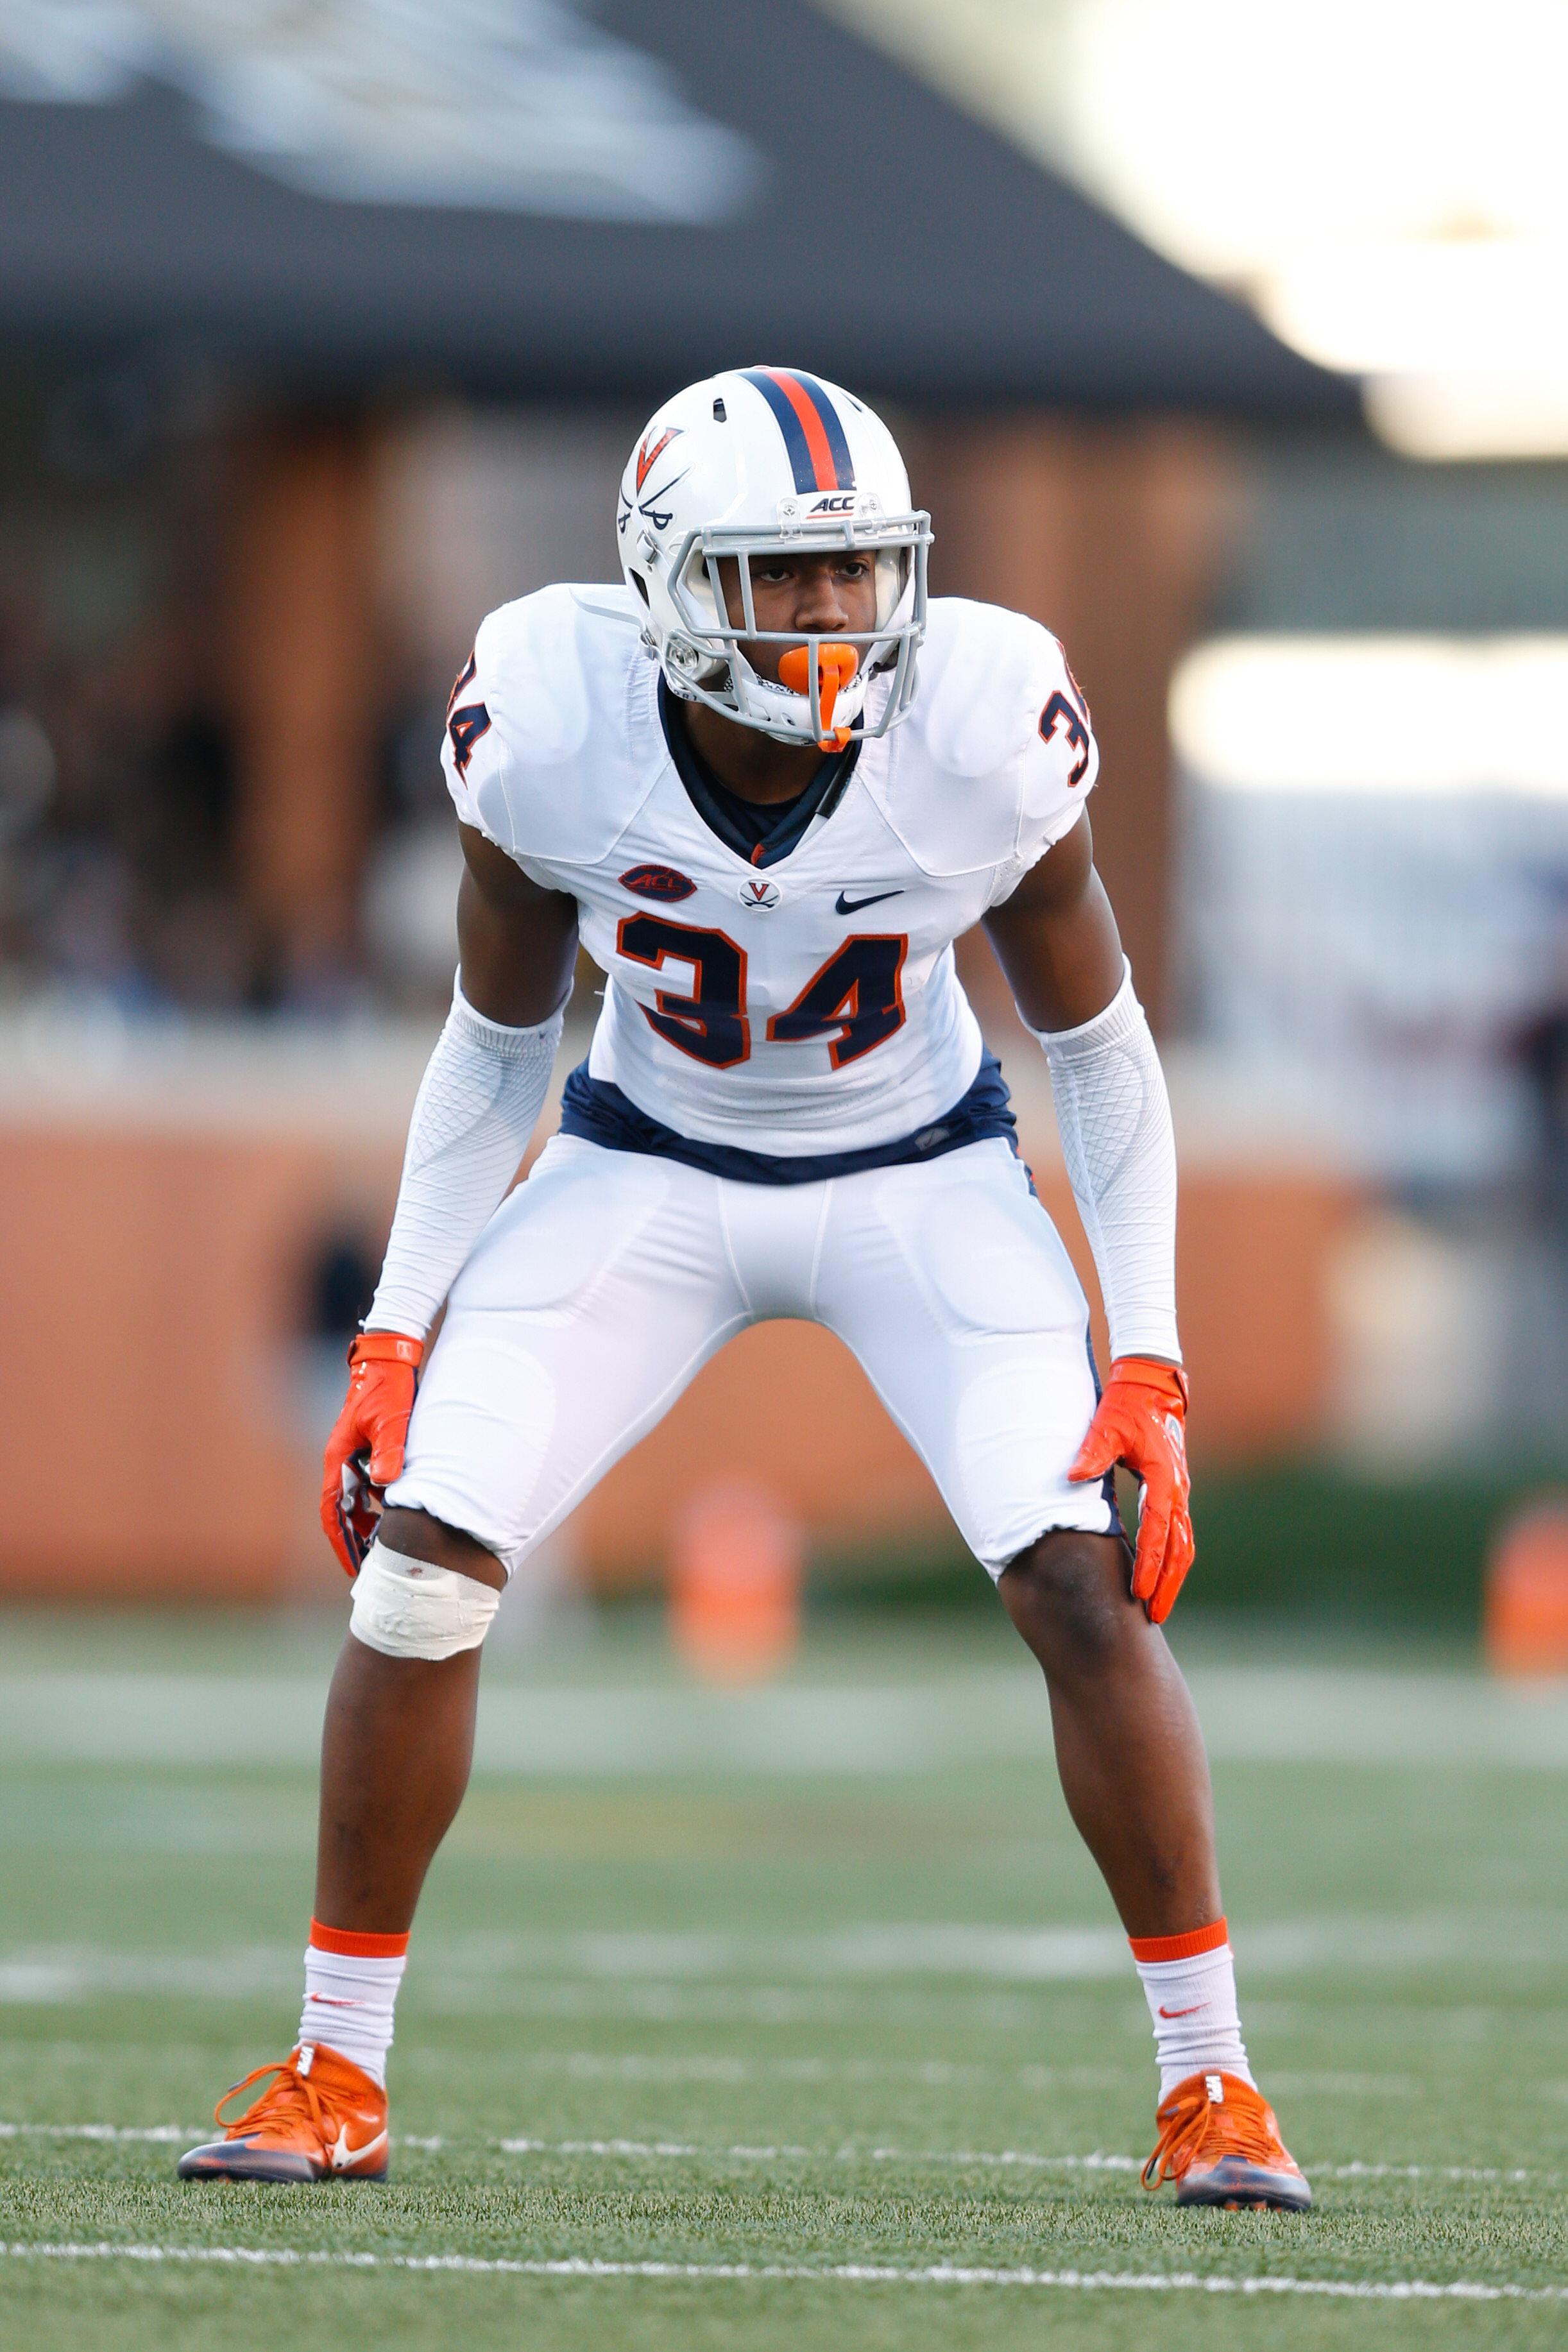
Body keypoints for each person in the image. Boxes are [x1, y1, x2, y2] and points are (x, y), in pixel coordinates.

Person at [178, 368, 1309, 2211]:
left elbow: (1096, 1048)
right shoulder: (548, 720)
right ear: (665, 583)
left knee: (1082, 1579)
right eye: (782, 579)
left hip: (920, 1168)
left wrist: (1152, 1362)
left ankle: (1215, 2086)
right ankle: (334, 2067)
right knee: (418, 1578)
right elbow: (494, 1038)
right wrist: (396, 1327)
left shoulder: (980, 721)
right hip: (645, 1160)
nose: (832, 617)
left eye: (858, 573)